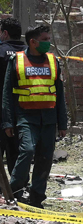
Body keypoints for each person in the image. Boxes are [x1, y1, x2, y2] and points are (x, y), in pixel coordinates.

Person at [2, 25, 66, 208]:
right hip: (25, 117)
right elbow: (7, 94)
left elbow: (60, 95)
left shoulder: (53, 62)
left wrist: (62, 123)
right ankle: (14, 191)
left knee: (45, 158)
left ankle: (37, 197)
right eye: (45, 39)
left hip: (49, 118)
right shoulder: (17, 60)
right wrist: (7, 122)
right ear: (33, 42)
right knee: (27, 150)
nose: (49, 43)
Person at [0, 17, 26, 177]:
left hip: (2, 110)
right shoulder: (28, 53)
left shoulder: (1, 52)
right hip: (22, 111)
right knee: (16, 153)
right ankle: (17, 187)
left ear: (5, 33)